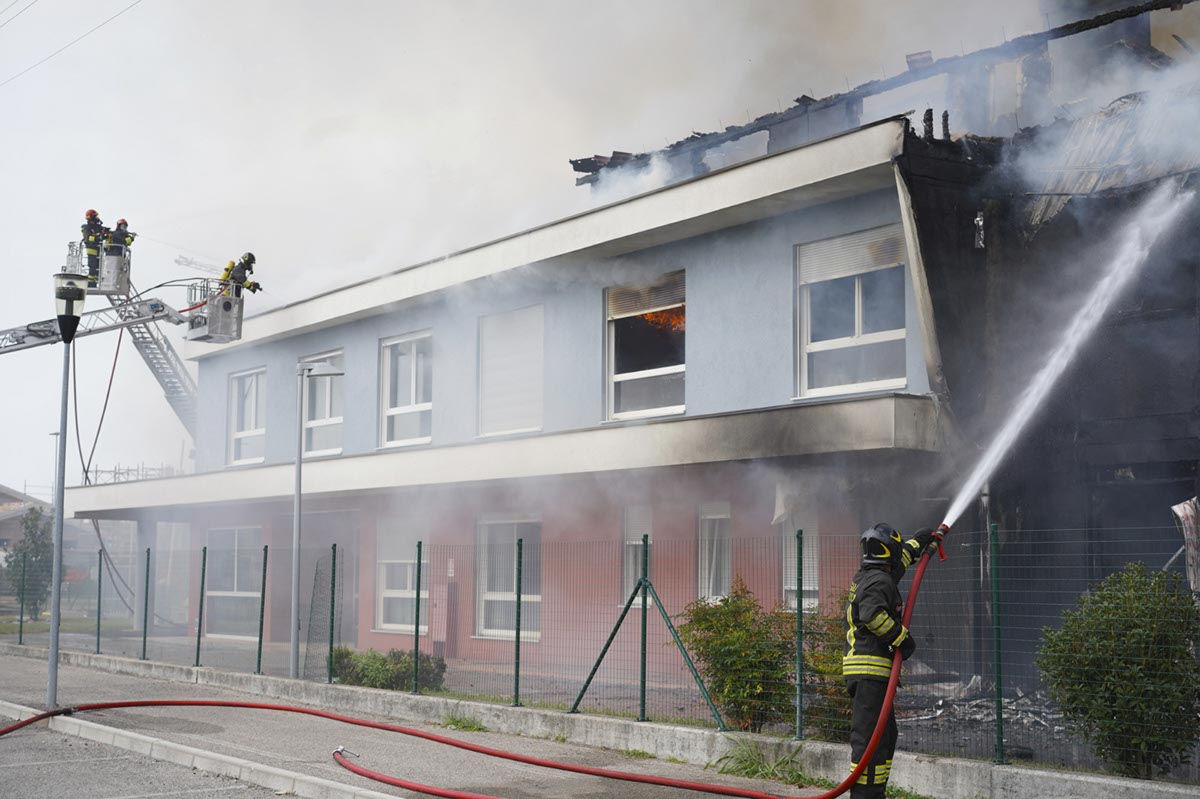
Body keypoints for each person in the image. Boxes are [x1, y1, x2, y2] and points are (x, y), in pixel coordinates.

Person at [842, 522, 946, 798]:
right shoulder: (879, 581)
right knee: (871, 742)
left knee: (885, 739)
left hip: (870, 672)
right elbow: (872, 616)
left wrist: (919, 542)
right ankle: (865, 795)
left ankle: (875, 792)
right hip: (869, 671)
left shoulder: (872, 574)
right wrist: (902, 638)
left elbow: (898, 561)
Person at [81, 209, 107, 286]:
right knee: (92, 266)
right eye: (95, 216)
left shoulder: (97, 227)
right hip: (91, 249)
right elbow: (88, 238)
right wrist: (99, 237)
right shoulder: (87, 228)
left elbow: (100, 234)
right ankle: (91, 283)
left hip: (98, 250)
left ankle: (94, 282)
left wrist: (104, 233)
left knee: (98, 267)